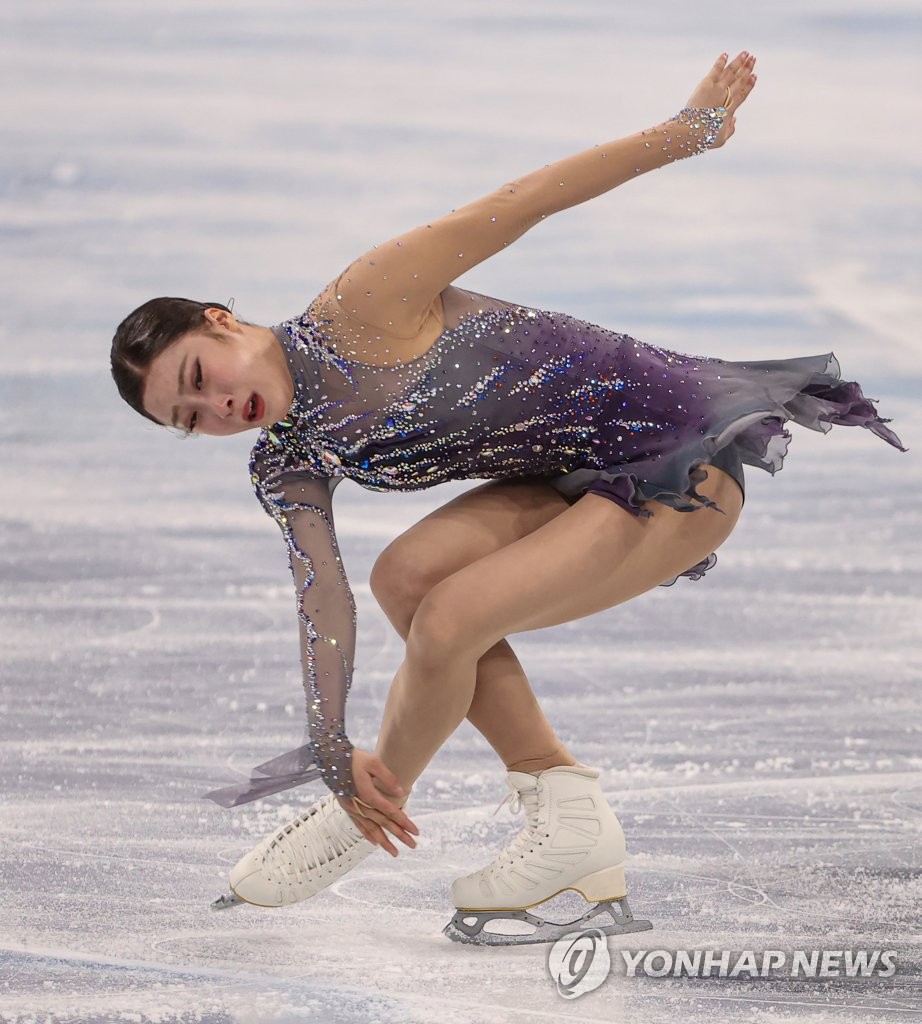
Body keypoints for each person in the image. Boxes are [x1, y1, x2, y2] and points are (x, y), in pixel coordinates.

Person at [110, 51, 907, 944]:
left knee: (450, 619)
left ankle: (362, 821)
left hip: (678, 462)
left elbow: (523, 200)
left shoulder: (363, 303)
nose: (218, 407)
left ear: (220, 321)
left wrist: (685, 135)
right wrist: (329, 738)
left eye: (198, 377)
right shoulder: (285, 461)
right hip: (570, 482)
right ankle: (566, 814)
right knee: (404, 580)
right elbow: (322, 597)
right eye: (191, 419)